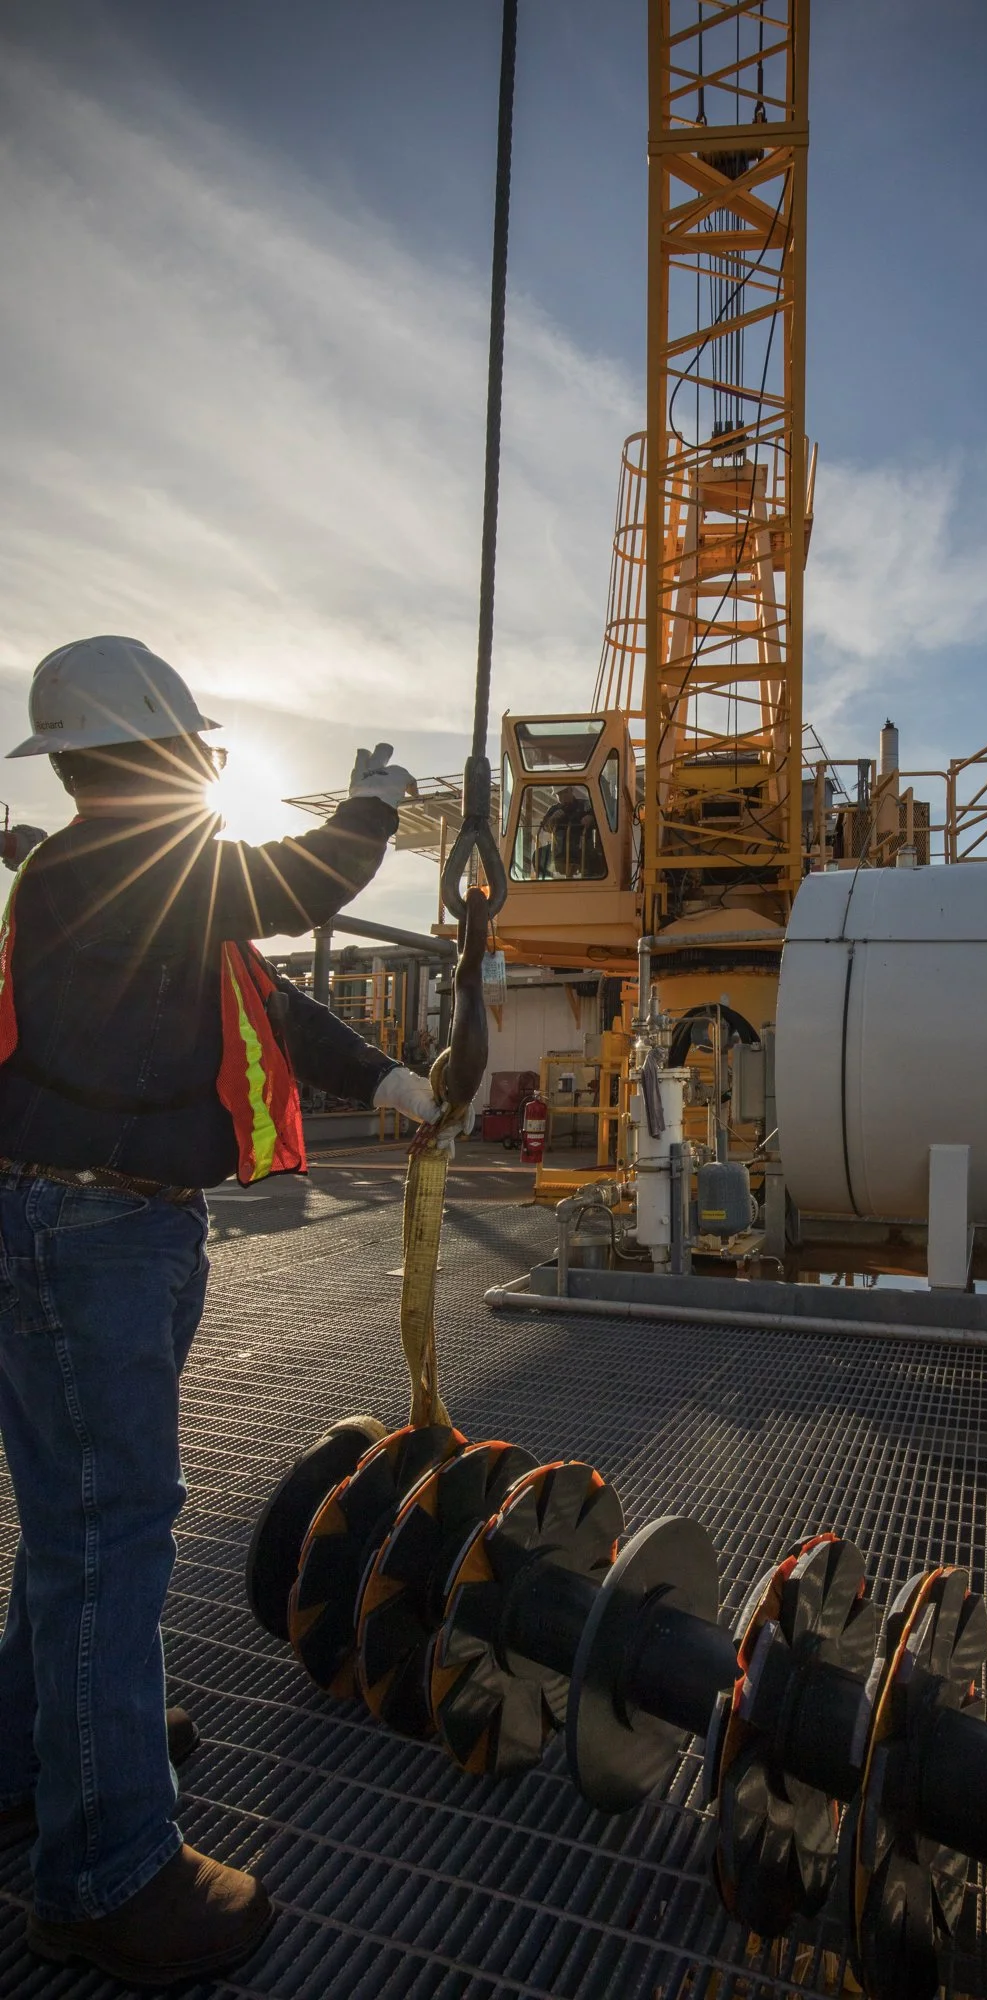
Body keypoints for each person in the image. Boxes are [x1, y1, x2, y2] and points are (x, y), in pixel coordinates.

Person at [0, 636, 447, 1986]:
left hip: (108, 1226)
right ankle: (110, 1873)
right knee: (107, 1539)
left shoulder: (138, 892)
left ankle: (46, 1757)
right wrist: (373, 807)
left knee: (80, 1527)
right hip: (96, 1231)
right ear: (157, 748)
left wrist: (386, 1079)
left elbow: (270, 996)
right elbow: (296, 879)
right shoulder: (103, 864)